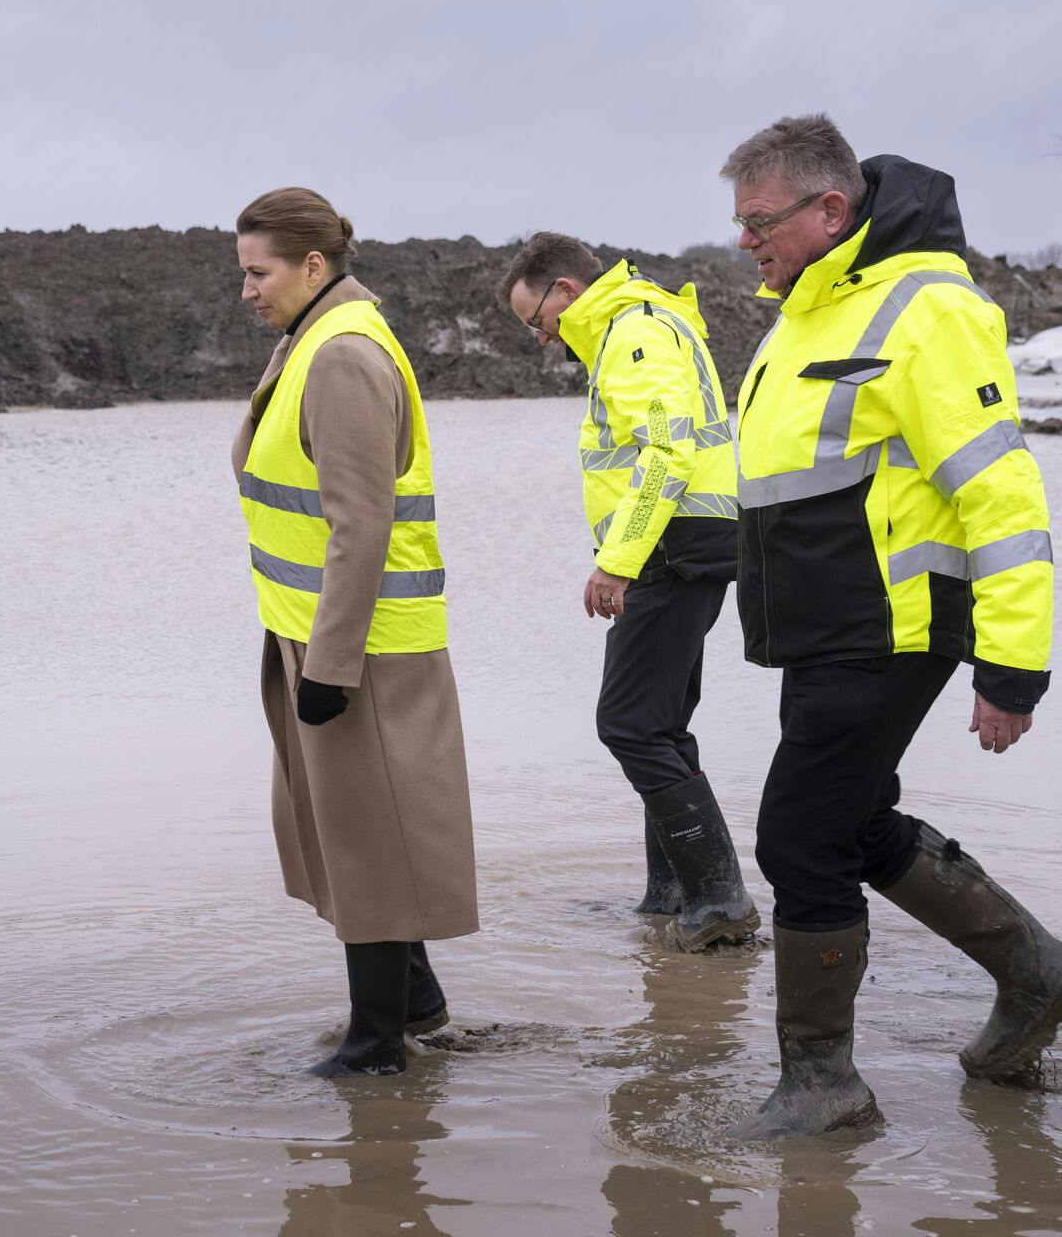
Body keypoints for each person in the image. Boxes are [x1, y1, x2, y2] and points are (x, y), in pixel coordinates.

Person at [719, 114, 1056, 1140]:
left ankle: (822, 1083)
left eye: (757, 219)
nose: (744, 240)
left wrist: (1011, 665)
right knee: (851, 822)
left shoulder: (927, 307)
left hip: (890, 625)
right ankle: (1035, 972)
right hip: (822, 630)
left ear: (829, 208)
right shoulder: (808, 309)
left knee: (797, 837)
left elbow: (999, 495)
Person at [231, 187, 478, 1077]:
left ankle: (375, 1047)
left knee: (369, 842)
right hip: (321, 633)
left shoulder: (340, 356)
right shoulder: (314, 341)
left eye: (258, 273)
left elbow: (361, 523)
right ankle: (415, 1004)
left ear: (312, 265)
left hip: (364, 648)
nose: (247, 292)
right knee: (352, 830)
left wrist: (330, 666)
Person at [496, 233, 758, 952]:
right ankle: (674, 892)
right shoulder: (635, 324)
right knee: (661, 722)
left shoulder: (635, 334)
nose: (542, 338)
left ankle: (720, 899)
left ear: (564, 291)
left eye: (536, 322)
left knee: (630, 724)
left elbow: (667, 452)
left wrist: (617, 560)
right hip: (683, 543)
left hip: (671, 546)